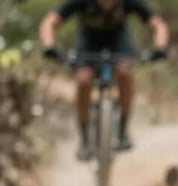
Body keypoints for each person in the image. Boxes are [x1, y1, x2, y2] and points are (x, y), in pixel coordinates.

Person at [39, 0, 169, 161]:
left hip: (119, 43)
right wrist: (49, 46)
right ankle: (85, 138)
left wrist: (160, 47)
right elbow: (50, 22)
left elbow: (157, 24)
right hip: (87, 43)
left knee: (124, 72)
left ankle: (122, 130)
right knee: (83, 80)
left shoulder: (128, 3)